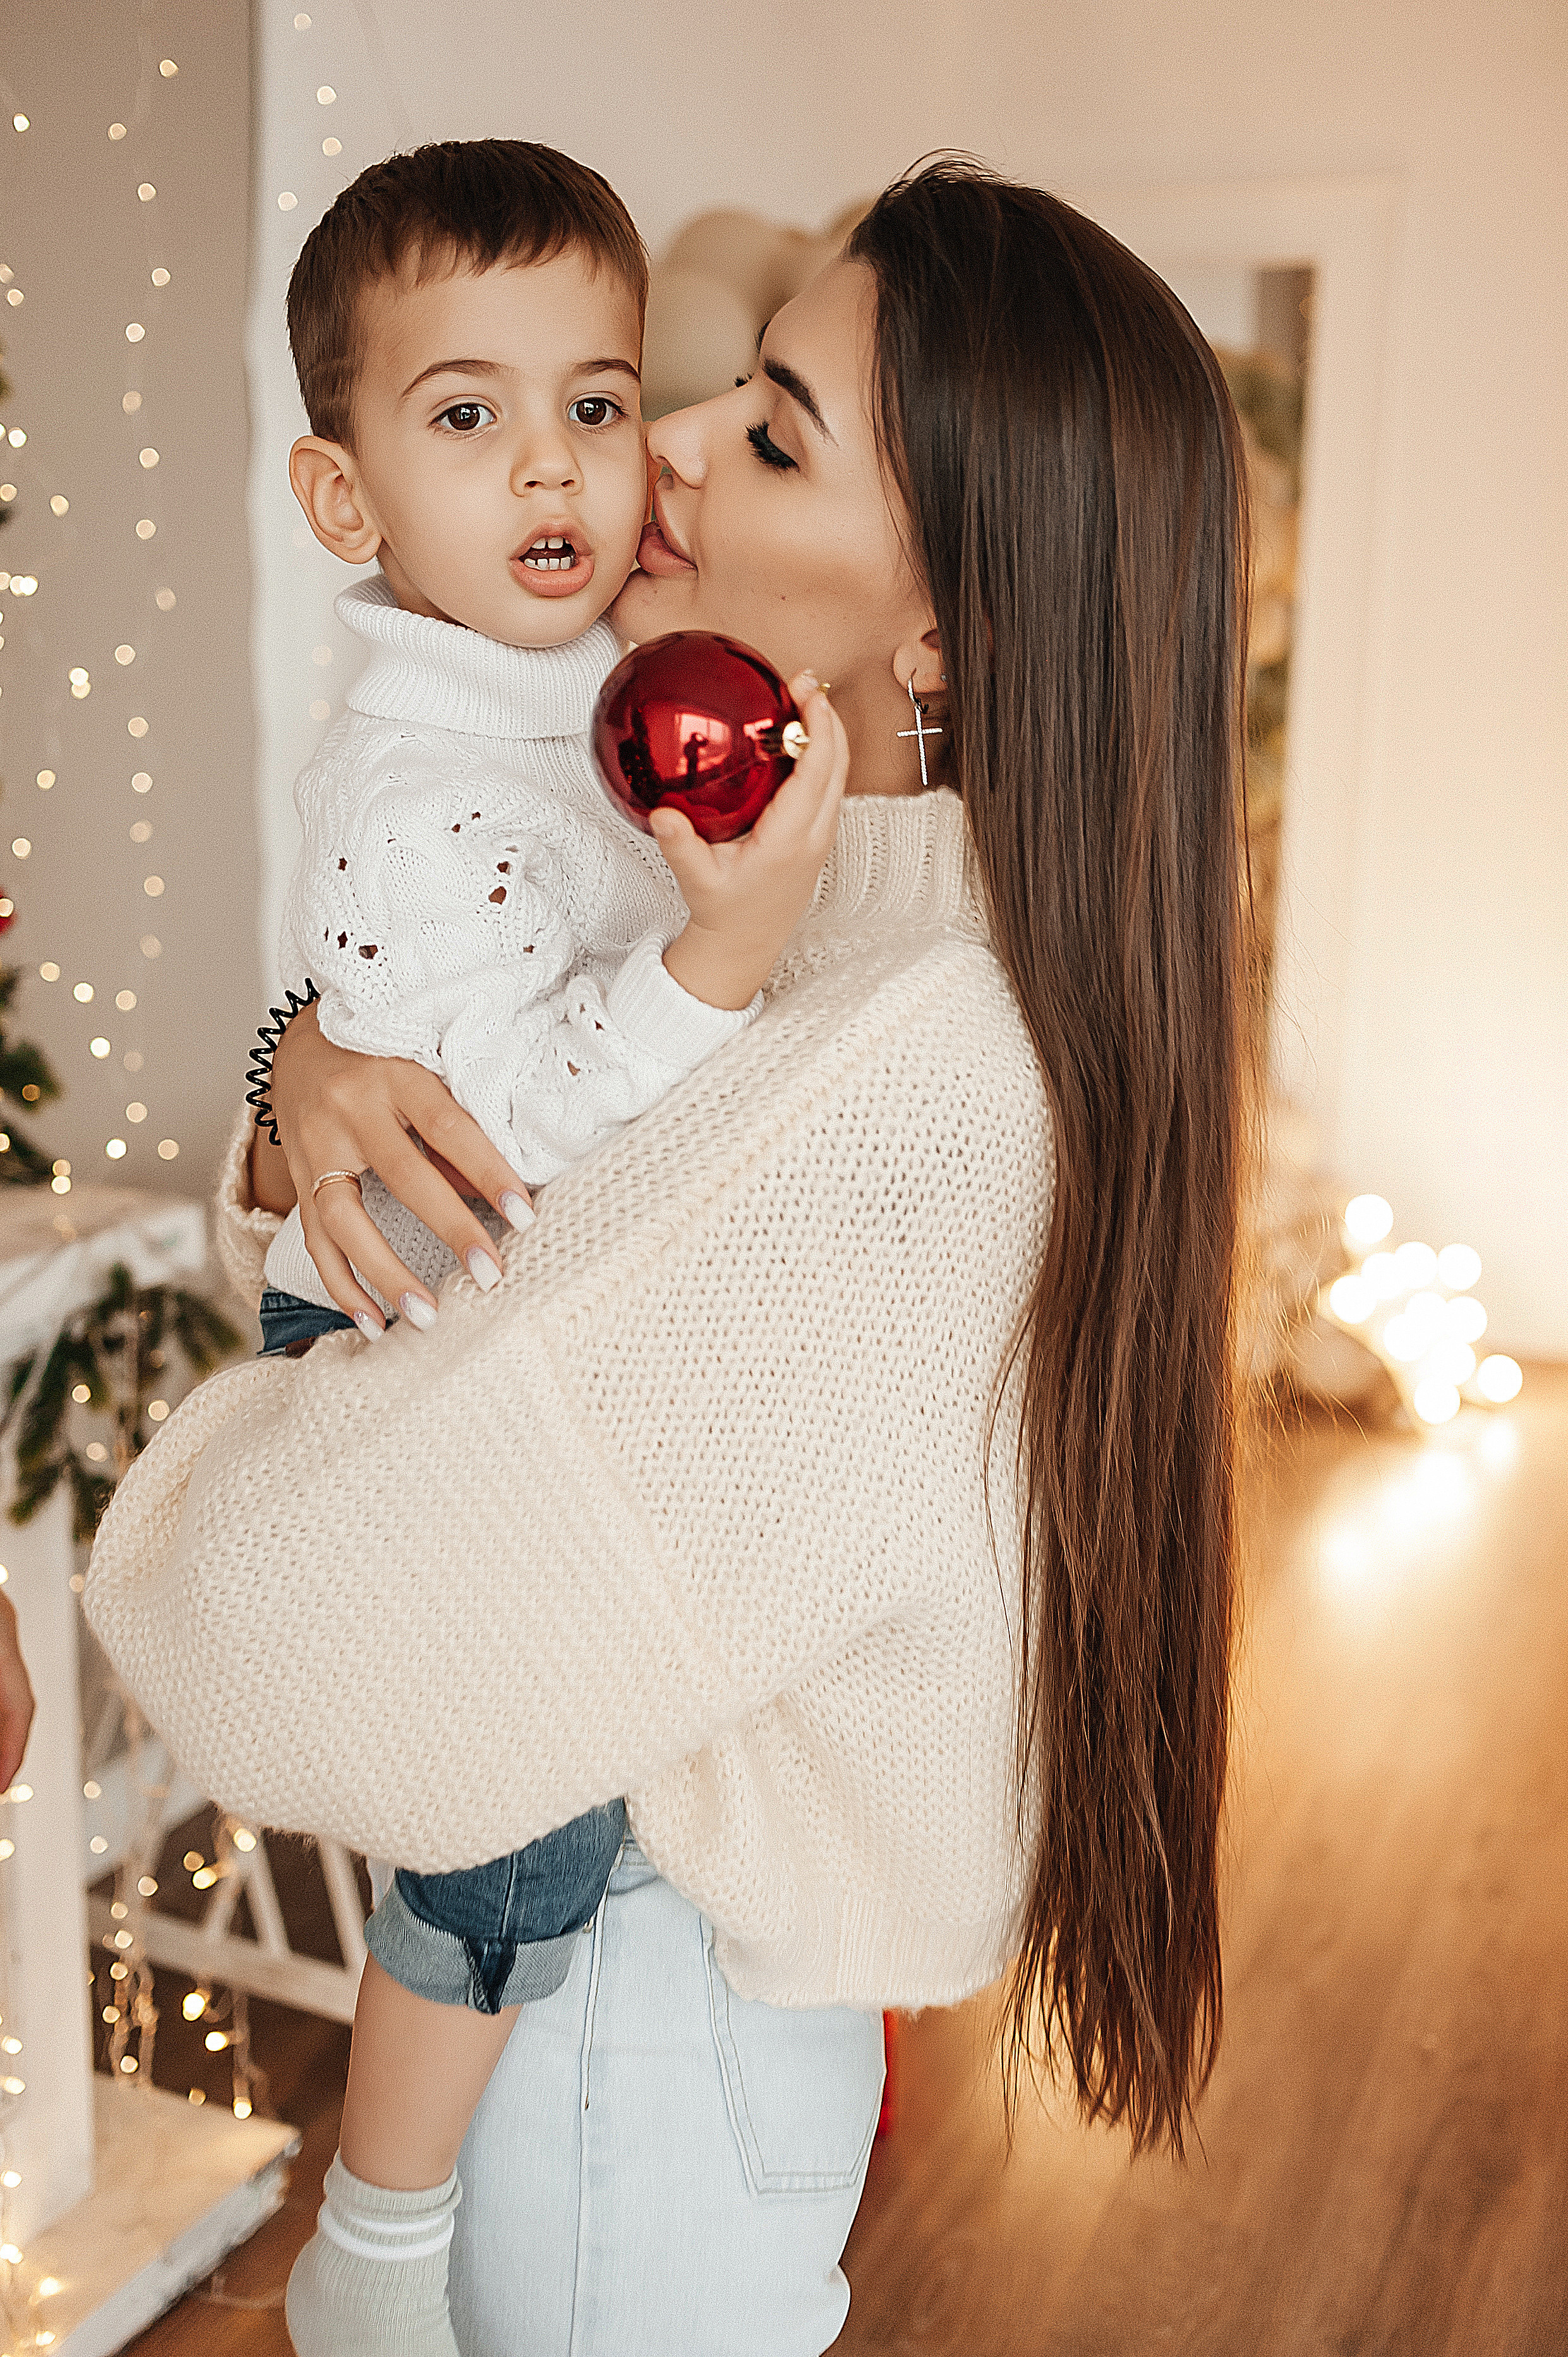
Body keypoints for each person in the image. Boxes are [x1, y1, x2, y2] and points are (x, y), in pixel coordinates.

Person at [85, 159, 1253, 2356]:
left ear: (937, 633)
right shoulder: (776, 901)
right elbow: (499, 1116)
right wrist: (301, 1061)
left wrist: (229, 1429)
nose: (662, 449)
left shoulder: (914, 1067)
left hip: (625, 2043)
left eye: (771, 435)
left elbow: (263, 1618)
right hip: (615, 2010)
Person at [248, 139, 848, 2357]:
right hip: (426, 1335)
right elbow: (496, 1117)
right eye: (467, 415)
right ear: (345, 497)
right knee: (512, 1833)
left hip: (507, 1320)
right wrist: (723, 957)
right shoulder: (438, 766)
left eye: (593, 401)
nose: (565, 467)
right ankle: (373, 2234)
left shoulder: (575, 680)